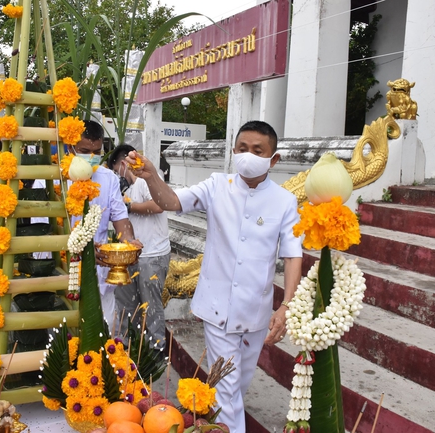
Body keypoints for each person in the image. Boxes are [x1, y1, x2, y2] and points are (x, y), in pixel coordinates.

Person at [126, 121, 303, 433]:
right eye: (242, 148)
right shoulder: (216, 185)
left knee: (236, 388)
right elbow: (171, 202)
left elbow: (292, 255)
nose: (248, 155)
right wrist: (151, 175)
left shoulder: (284, 202)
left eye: (258, 151)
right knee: (226, 393)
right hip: (217, 308)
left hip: (255, 313)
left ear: (273, 160)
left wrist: (286, 305)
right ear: (233, 152)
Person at [70, 120, 139, 326]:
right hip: (64, 273)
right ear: (70, 148)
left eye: (97, 152)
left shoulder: (108, 178)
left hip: (99, 277)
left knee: (104, 339)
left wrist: (129, 244)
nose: (91, 157)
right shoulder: (54, 177)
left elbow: (121, 220)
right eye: (84, 151)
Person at [108, 144, 170, 349]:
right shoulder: (129, 188)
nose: (120, 175)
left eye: (118, 170)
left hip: (152, 254)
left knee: (151, 306)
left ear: (124, 163)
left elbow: (159, 205)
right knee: (126, 304)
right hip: (131, 255)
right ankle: (127, 347)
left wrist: (128, 206)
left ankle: (156, 350)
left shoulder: (147, 179)